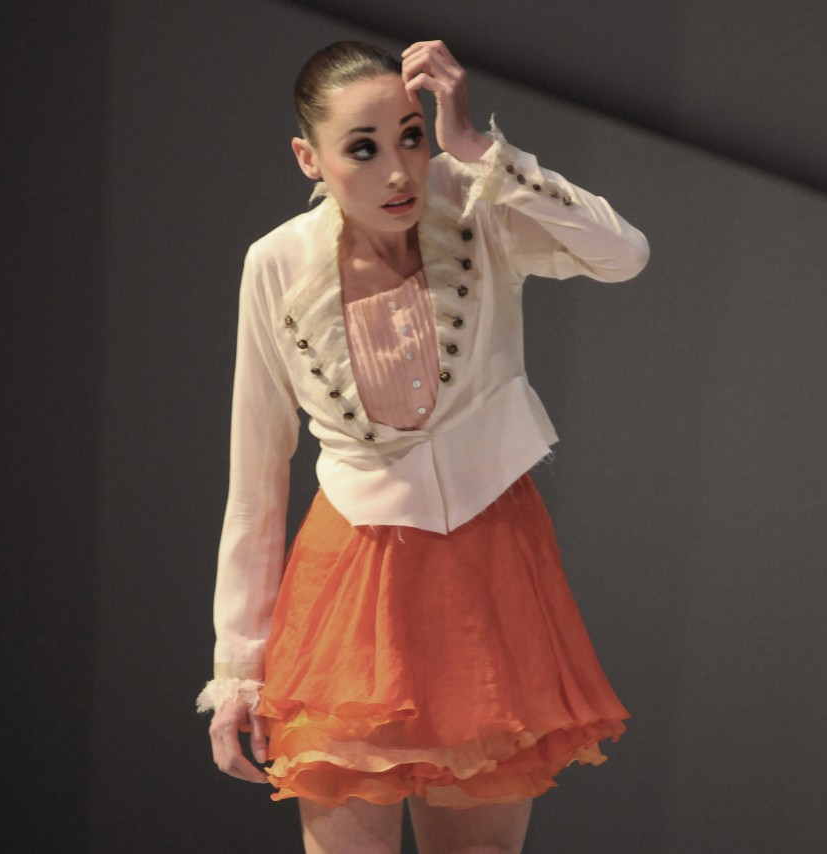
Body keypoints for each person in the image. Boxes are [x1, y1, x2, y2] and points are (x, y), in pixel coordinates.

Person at [196, 38, 648, 854]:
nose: (400, 170)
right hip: (353, 579)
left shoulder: (475, 198)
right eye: (363, 149)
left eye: (410, 136)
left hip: (489, 567)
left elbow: (623, 254)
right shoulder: (277, 263)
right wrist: (238, 668)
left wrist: (478, 149)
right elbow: (256, 479)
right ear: (309, 158)